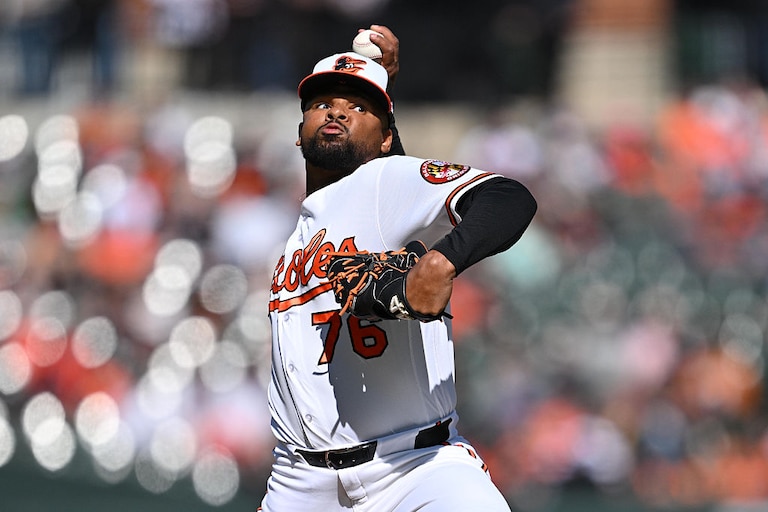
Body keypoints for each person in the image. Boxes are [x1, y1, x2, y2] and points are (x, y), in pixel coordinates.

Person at [259, 25, 537, 511]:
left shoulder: (383, 179)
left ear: (387, 138)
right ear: (299, 132)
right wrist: (378, 81)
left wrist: (442, 259)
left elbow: (508, 198)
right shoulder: (301, 233)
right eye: (323, 103)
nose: (338, 110)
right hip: (299, 482)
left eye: (359, 107)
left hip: (415, 470)